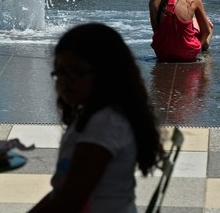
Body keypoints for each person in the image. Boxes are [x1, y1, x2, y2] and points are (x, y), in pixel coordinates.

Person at [30, 23, 163, 213]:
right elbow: (62, 191)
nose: (65, 81)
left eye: (77, 72)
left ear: (106, 73)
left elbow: (70, 200)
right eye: (60, 71)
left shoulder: (105, 124)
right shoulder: (92, 115)